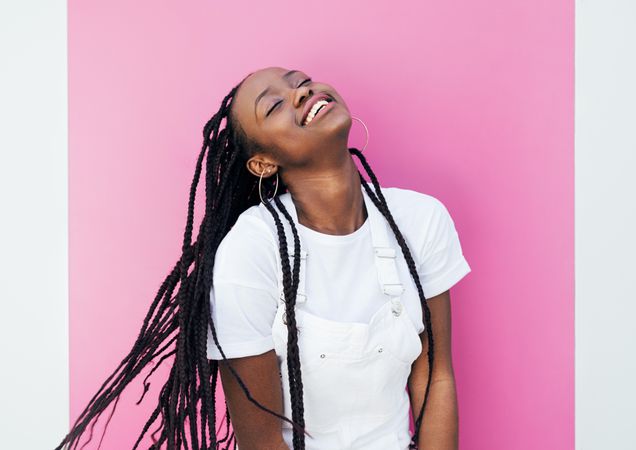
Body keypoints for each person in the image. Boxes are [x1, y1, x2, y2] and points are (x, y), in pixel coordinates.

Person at [55, 66, 471, 450]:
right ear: (263, 162)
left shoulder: (420, 220)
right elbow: (262, 440)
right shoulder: (250, 251)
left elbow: (436, 377)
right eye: (274, 104)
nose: (301, 92)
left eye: (301, 80)